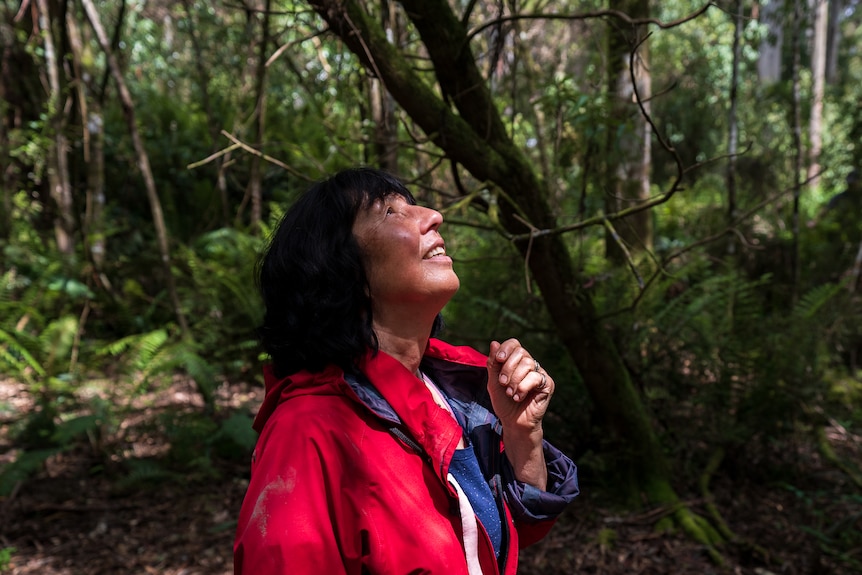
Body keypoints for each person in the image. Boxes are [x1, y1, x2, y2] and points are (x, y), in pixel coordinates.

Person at [233, 167, 579, 575]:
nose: (433, 215)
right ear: (342, 272)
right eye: (390, 212)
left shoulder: (450, 392)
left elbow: (501, 536)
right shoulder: (307, 430)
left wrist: (523, 434)